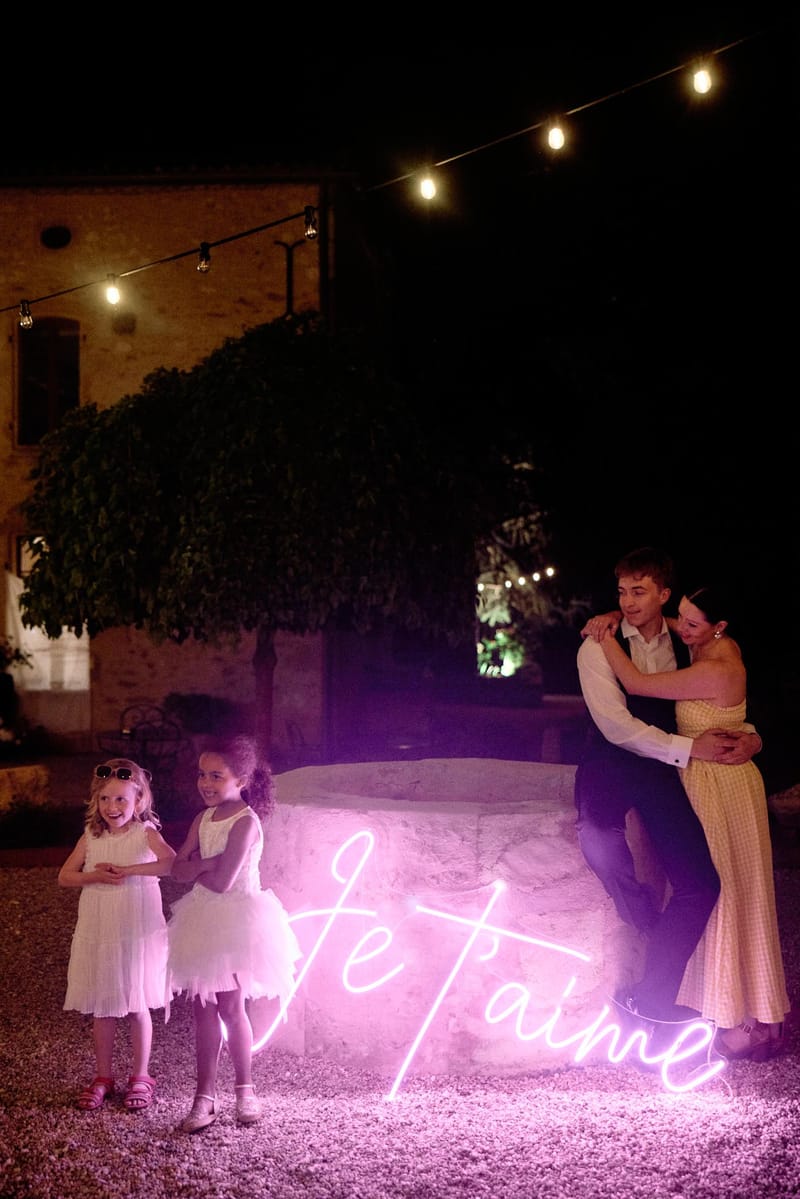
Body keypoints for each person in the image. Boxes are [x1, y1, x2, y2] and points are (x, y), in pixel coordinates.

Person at [594, 581, 790, 1059]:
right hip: (717, 781)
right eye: (681, 616)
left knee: (725, 893)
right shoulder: (713, 648)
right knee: (727, 892)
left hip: (720, 788)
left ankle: (732, 1018)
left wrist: (602, 637)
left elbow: (638, 684)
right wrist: (753, 736)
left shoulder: (719, 663)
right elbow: (736, 719)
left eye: (693, 622)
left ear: (719, 626)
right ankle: (736, 1012)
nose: (683, 628)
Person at [166, 734, 302, 1133]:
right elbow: (177, 870)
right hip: (202, 920)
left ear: (241, 780)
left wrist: (197, 866)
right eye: (202, 775)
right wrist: (201, 864)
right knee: (202, 1010)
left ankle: (245, 1089)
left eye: (216, 776)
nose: (205, 783)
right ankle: (203, 1097)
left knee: (231, 1007)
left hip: (238, 921)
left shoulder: (246, 822)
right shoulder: (202, 819)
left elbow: (225, 882)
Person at [58, 758, 176, 1111]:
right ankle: (103, 1075)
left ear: (138, 801)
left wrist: (128, 870)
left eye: (122, 799)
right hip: (101, 928)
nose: (112, 807)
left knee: (137, 1002)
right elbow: (65, 876)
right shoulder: (91, 836)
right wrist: (95, 875)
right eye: (105, 800)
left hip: (135, 929)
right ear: (95, 802)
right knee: (104, 1006)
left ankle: (141, 1075)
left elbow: (170, 863)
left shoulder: (145, 833)